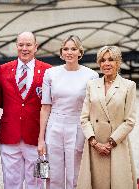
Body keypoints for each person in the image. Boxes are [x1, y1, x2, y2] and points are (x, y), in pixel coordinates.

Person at [37, 35, 99, 189]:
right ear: (61, 52)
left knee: (75, 173)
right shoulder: (50, 73)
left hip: (77, 125)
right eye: (66, 49)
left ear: (80, 52)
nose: (69, 52)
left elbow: (93, 109)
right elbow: (45, 107)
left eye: (73, 49)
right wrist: (41, 139)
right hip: (54, 125)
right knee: (54, 173)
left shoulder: (91, 76)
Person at [0, 31, 51, 189]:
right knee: (11, 180)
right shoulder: (3, 69)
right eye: (21, 45)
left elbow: (50, 105)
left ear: (36, 47)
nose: (24, 48)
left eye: (28, 45)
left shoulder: (48, 70)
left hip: (36, 137)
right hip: (10, 135)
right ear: (16, 46)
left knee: (38, 180)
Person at [77, 45, 138, 189]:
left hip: (116, 144)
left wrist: (110, 143)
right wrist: (94, 142)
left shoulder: (129, 86)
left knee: (118, 183)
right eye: (102, 60)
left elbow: (130, 120)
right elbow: (84, 118)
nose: (106, 63)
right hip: (94, 144)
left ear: (118, 62)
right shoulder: (92, 85)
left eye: (111, 60)